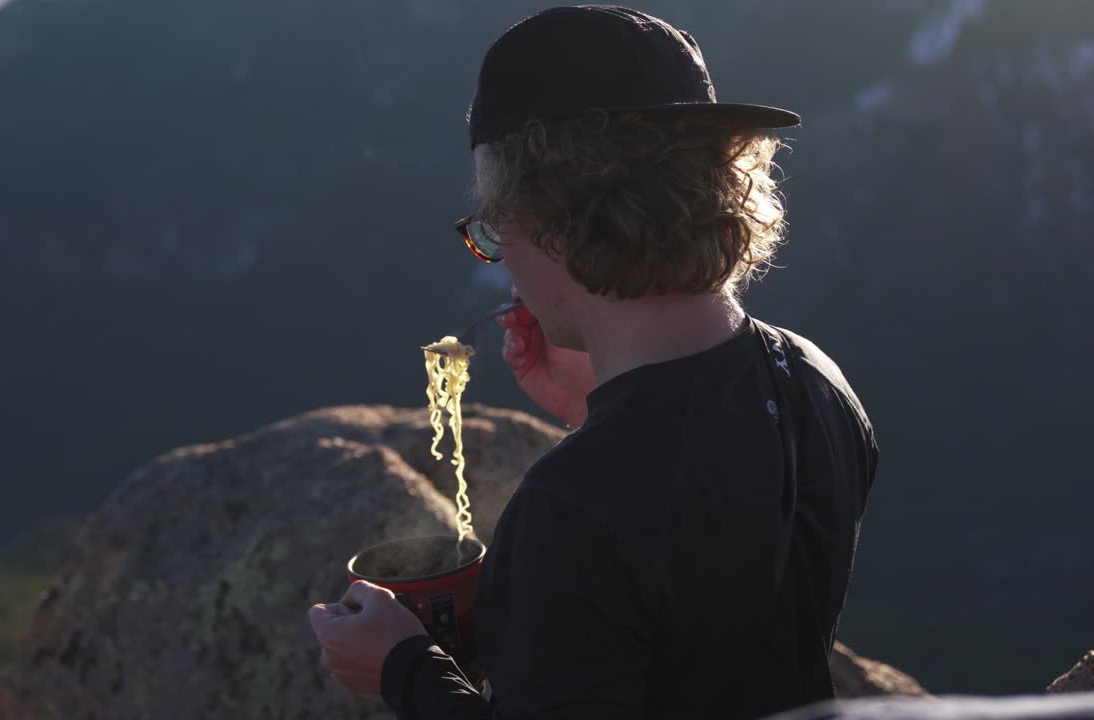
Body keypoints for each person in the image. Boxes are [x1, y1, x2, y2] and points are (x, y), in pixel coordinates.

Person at [308, 5, 878, 719]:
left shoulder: (569, 510)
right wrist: (600, 407)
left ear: (550, 218)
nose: (501, 261)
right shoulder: (819, 382)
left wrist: (403, 668)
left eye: (492, 229)